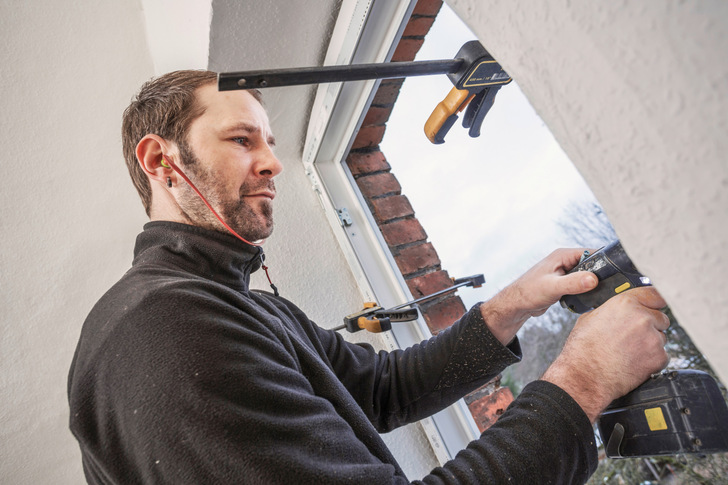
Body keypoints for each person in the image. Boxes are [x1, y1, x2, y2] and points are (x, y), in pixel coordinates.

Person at [68, 70, 670, 484]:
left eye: (271, 142)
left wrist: (511, 305)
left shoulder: (235, 303)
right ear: (161, 162)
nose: (273, 162)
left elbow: (384, 389)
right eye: (241, 139)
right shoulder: (163, 331)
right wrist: (586, 378)